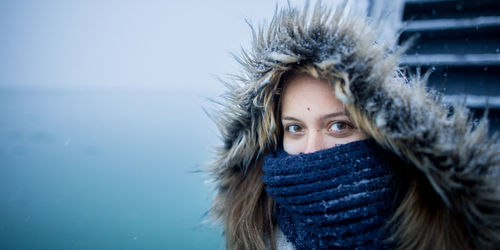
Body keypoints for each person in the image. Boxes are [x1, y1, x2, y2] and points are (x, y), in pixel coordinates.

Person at [208, 2, 500, 249]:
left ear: (381, 135)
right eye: (295, 128)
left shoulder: (443, 233)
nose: (311, 152)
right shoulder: (259, 231)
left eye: (338, 126)